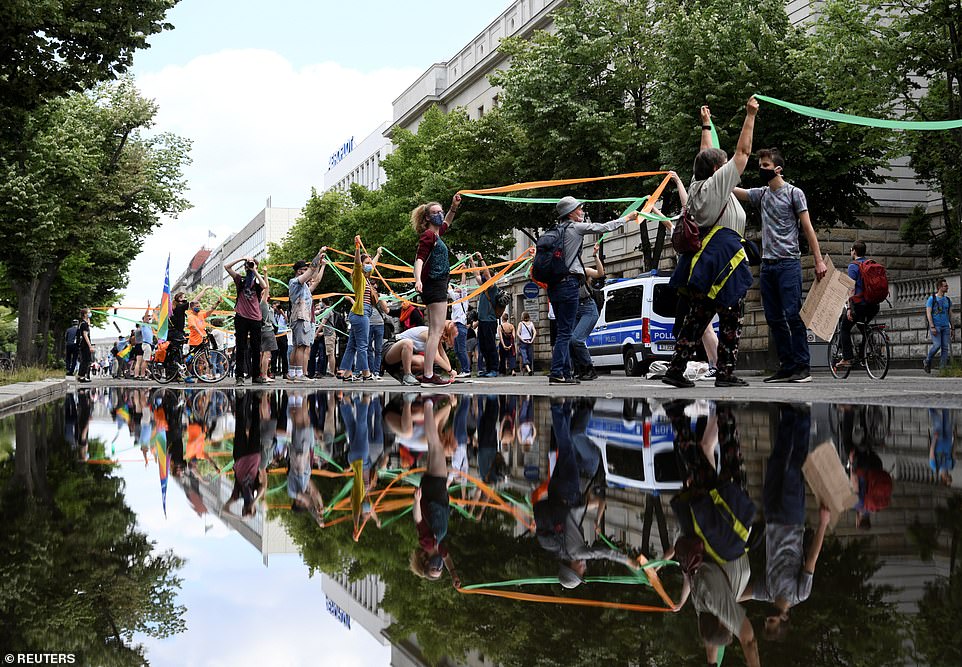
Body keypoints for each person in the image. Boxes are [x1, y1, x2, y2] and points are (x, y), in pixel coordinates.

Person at [662, 97, 759, 389]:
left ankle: (677, 368)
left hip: (706, 261)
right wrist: (750, 115)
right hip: (723, 260)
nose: (727, 164)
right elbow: (743, 152)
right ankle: (725, 373)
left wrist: (706, 123)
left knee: (697, 317)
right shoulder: (718, 185)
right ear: (718, 169)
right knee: (732, 316)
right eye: (723, 162)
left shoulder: (697, 185)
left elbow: (705, 153)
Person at [734, 148, 826, 383]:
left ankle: (802, 367)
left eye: (765, 165)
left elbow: (807, 228)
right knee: (774, 318)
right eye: (760, 165)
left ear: (778, 169)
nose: (761, 169)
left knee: (793, 315)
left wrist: (818, 260)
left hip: (788, 264)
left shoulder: (795, 193)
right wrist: (716, 179)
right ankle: (786, 366)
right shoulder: (762, 194)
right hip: (768, 266)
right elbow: (736, 192)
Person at [533, 398, 640, 587]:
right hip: (556, 491)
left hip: (569, 492)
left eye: (581, 571)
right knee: (565, 448)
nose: (584, 568)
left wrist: (628, 561)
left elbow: (603, 553)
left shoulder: (576, 551)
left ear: (572, 568)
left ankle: (557, 408)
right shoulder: (560, 549)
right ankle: (565, 407)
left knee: (566, 447)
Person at [748, 404, 830, 642]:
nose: (767, 618)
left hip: (772, 517)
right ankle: (804, 419)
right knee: (793, 470)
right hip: (793, 520)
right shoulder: (800, 593)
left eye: (766, 622)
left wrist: (720, 605)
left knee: (775, 463)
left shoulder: (767, 593)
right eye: (771, 622)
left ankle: (789, 417)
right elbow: (812, 558)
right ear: (784, 619)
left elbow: (744, 594)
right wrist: (823, 523)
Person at [547, 197, 639, 384]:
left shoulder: (555, 231)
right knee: (567, 334)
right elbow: (603, 227)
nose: (582, 212)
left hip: (554, 285)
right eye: (579, 209)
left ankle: (565, 372)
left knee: (564, 333)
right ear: (571, 213)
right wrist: (627, 219)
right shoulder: (575, 228)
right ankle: (559, 372)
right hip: (568, 285)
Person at [410, 395, 461, 587]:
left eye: (434, 568)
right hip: (436, 490)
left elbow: (418, 520)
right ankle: (439, 405)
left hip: (433, 490)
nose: (439, 567)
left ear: (425, 562)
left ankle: (429, 404)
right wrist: (454, 574)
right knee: (436, 442)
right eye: (440, 570)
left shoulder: (428, 544)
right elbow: (447, 558)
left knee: (436, 445)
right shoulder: (438, 546)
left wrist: (416, 501)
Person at [412, 194, 462, 387]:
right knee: (436, 331)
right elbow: (419, 258)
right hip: (435, 284)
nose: (440, 215)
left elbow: (447, 222)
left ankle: (429, 374)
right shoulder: (428, 235)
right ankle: (429, 375)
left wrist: (453, 206)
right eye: (435, 213)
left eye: (440, 212)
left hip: (436, 284)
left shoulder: (436, 234)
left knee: (435, 331)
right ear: (427, 217)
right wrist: (417, 279)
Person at [338, 237, 378, 381]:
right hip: (360, 313)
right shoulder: (358, 276)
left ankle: (347, 373)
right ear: (361, 264)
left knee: (352, 346)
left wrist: (378, 254)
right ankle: (366, 373)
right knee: (363, 345)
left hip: (360, 313)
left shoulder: (367, 278)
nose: (369, 266)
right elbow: (356, 264)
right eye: (366, 263)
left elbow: (373, 266)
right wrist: (357, 247)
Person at [224, 256, 267, 385]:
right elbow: (227, 267)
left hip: (256, 318)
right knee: (241, 347)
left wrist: (254, 271)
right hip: (241, 317)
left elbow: (264, 286)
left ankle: (256, 376)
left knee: (256, 347)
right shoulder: (240, 280)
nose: (250, 267)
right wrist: (242, 259)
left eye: (253, 265)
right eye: (249, 265)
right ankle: (240, 377)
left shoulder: (257, 282)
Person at [838, 241, 881, 370]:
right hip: (874, 305)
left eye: (851, 250)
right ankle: (863, 356)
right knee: (863, 327)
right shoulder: (871, 264)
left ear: (855, 251)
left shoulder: (853, 266)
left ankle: (847, 358)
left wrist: (849, 308)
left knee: (844, 329)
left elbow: (851, 288)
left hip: (860, 305)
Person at [287, 247, 327, 381]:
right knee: (301, 346)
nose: (306, 273)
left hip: (301, 317)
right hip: (300, 317)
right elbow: (311, 271)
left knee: (298, 346)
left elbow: (316, 280)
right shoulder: (295, 282)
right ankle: (300, 374)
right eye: (303, 270)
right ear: (298, 272)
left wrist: (321, 266)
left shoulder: (303, 287)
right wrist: (318, 254)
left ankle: (293, 373)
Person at [571, 242, 606, 381]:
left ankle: (589, 369)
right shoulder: (565, 273)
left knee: (577, 339)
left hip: (588, 308)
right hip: (575, 308)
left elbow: (600, 273)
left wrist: (595, 256)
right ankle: (579, 370)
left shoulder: (583, 272)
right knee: (568, 341)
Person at [382, 321, 457, 385]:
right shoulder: (429, 334)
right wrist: (450, 370)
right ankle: (407, 375)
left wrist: (450, 372)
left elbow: (442, 354)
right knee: (408, 343)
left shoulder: (435, 338)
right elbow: (436, 357)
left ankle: (415, 376)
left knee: (425, 362)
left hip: (401, 361)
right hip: (390, 351)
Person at [472, 254, 501, 378]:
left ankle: (494, 369)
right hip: (482, 322)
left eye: (485, 276)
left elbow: (487, 274)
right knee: (483, 347)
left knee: (490, 346)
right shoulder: (483, 289)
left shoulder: (492, 288)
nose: (483, 277)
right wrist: (471, 261)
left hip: (490, 321)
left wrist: (481, 259)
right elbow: (475, 274)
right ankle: (488, 369)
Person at [924, 276, 953, 374]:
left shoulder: (948, 300)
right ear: (940, 287)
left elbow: (950, 314)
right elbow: (928, 313)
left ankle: (942, 369)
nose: (947, 287)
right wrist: (932, 326)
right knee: (937, 345)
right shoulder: (932, 299)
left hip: (945, 326)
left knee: (945, 348)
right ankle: (927, 360)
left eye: (947, 286)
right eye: (945, 286)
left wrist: (952, 327)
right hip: (936, 326)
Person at [448, 268, 472, 377]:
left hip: (461, 326)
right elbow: (448, 286)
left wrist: (463, 270)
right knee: (457, 350)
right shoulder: (454, 298)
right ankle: (463, 370)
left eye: (458, 287)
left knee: (461, 349)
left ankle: (466, 370)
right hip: (454, 327)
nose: (457, 287)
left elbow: (463, 283)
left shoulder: (463, 298)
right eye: (456, 287)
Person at [187, 286, 220, 354]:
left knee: (204, 359)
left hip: (204, 341)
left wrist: (218, 302)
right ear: (192, 308)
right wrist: (201, 333)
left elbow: (210, 310)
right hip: (195, 342)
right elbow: (194, 326)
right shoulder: (191, 317)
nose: (199, 308)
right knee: (193, 359)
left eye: (199, 306)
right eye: (197, 307)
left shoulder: (201, 314)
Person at [367, 278, 388, 379]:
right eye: (372, 286)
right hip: (368, 324)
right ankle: (371, 371)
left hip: (379, 324)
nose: (375, 288)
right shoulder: (365, 297)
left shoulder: (379, 297)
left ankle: (376, 371)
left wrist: (379, 298)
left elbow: (386, 310)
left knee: (378, 349)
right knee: (368, 348)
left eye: (375, 286)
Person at [929, 408, 954, 486]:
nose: (949, 477)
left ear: (943, 479)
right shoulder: (951, 466)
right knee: (946, 420)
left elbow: (931, 453)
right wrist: (955, 439)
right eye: (950, 479)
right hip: (948, 440)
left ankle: (931, 406)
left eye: (948, 480)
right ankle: (945, 403)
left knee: (938, 422)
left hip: (938, 441)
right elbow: (953, 453)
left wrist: (934, 440)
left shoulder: (935, 467)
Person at [258, 280, 277, 382]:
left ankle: (262, 374)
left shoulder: (265, 305)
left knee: (262, 354)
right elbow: (266, 288)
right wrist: (265, 274)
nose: (268, 294)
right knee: (267, 354)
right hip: (267, 330)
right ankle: (265, 375)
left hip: (264, 330)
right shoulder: (263, 304)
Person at [272, 301, 289, 379]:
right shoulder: (272, 314)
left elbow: (287, 321)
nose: (277, 308)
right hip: (275, 335)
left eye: (278, 306)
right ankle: (273, 372)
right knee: (274, 355)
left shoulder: (284, 313)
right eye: (275, 306)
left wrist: (282, 312)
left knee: (284, 355)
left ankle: (285, 372)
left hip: (283, 334)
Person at [517, 311, 537, 376]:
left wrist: (522, 339)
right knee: (529, 356)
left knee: (524, 355)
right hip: (530, 341)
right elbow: (535, 332)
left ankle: (528, 369)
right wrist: (532, 340)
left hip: (523, 342)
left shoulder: (520, 323)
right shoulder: (531, 323)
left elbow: (518, 333)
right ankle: (529, 369)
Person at [76, 309, 94, 383]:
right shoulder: (84, 324)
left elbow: (88, 324)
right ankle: (81, 376)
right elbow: (85, 335)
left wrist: (88, 321)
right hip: (85, 344)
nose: (90, 314)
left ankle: (81, 376)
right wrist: (90, 346)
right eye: (89, 312)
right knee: (86, 360)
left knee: (85, 360)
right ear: (85, 314)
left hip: (83, 344)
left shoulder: (83, 323)